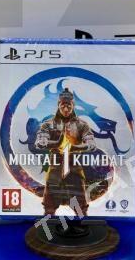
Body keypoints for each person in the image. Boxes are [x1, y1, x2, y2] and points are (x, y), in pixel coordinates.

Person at [35, 89, 96, 217]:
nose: (66, 108)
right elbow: (40, 142)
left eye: (69, 104)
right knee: (49, 210)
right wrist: (55, 143)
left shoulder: (81, 125)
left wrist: (75, 147)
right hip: (55, 173)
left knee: (80, 211)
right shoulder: (48, 125)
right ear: (59, 105)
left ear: (73, 105)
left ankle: (81, 229)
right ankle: (47, 229)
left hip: (74, 173)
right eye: (63, 104)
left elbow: (91, 144)